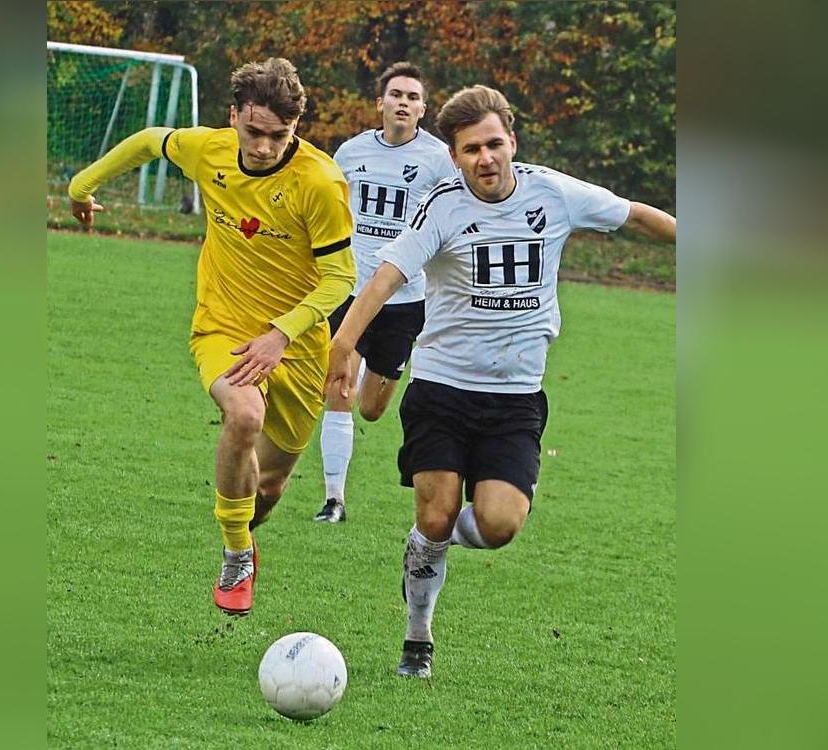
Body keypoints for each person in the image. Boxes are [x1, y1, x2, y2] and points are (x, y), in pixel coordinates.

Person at [326, 85, 676, 677]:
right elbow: (388, 275)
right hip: (441, 388)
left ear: (512, 141)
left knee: (500, 524)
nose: (485, 159)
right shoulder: (442, 205)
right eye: (470, 150)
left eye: (493, 144)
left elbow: (635, 215)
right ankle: (418, 636)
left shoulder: (554, 193)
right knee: (434, 515)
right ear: (455, 156)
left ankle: (426, 550)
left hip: (516, 397)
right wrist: (342, 340)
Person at [69, 58, 355, 616]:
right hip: (221, 326)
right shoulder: (210, 149)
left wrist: (280, 334)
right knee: (243, 415)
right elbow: (152, 140)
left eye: (280, 135)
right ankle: (235, 554)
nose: (266, 147)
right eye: (255, 132)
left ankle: (245, 529)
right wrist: (83, 186)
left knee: (267, 490)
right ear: (233, 118)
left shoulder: (319, 183)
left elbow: (340, 278)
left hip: (295, 347)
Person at [315, 62, 455, 524]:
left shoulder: (439, 160)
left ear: (423, 108)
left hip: (404, 299)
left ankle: (381, 381)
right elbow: (329, 212)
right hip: (350, 291)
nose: (403, 102)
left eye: (412, 97)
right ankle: (333, 500)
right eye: (396, 94)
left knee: (373, 408)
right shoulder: (350, 153)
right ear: (380, 103)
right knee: (339, 389)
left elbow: (452, 221)